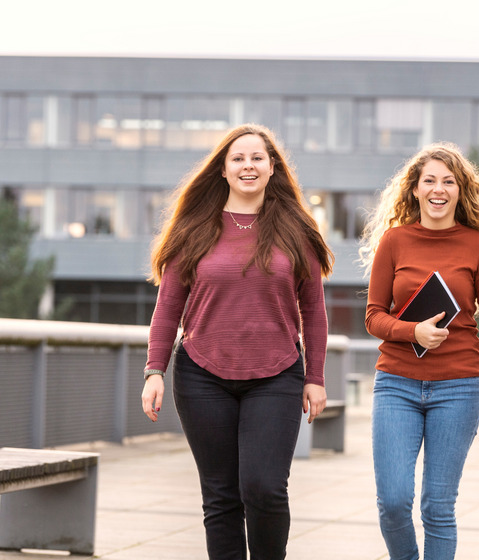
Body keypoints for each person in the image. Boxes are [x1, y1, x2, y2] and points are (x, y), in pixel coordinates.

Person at [140, 123, 333, 560]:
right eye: (238, 158)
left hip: (278, 375)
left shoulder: (295, 230)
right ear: (223, 171)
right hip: (201, 375)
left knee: (264, 488)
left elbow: (314, 313)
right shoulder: (194, 229)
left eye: (257, 158)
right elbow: (168, 307)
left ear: (272, 168)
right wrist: (155, 370)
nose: (248, 165)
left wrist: (315, 377)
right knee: (221, 496)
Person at [360, 142, 479, 559]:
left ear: (460, 190)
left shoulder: (477, 246)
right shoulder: (395, 242)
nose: (438, 189)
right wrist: (411, 331)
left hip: (457, 388)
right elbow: (373, 316)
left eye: (448, 181)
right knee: (393, 501)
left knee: (438, 507)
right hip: (396, 384)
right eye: (429, 180)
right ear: (414, 189)